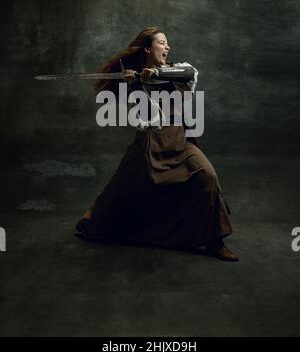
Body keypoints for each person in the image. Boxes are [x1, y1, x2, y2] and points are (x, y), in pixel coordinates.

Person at [75, 27, 238, 261]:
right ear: (148, 48)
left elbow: (190, 73)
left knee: (207, 176)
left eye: (167, 43)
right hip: (151, 143)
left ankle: (215, 242)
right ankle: (95, 223)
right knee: (123, 192)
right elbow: (147, 118)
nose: (167, 47)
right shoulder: (135, 79)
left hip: (181, 140)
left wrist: (157, 74)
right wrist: (136, 85)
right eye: (162, 43)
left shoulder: (176, 70)